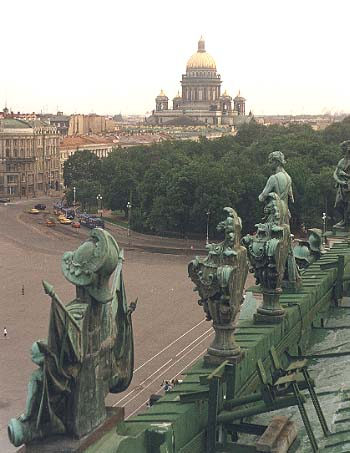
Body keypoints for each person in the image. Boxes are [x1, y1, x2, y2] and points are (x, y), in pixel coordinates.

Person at [258, 151, 294, 225]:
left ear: (277, 162)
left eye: (271, 162)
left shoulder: (273, 178)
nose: (269, 164)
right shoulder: (289, 178)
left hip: (275, 214)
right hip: (285, 215)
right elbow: (292, 199)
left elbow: (261, 198)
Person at [334, 140, 350, 228]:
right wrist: (340, 181)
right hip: (342, 187)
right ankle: (343, 220)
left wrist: (345, 175)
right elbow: (335, 173)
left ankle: (345, 222)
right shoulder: (342, 161)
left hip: (348, 187)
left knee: (348, 207)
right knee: (338, 205)